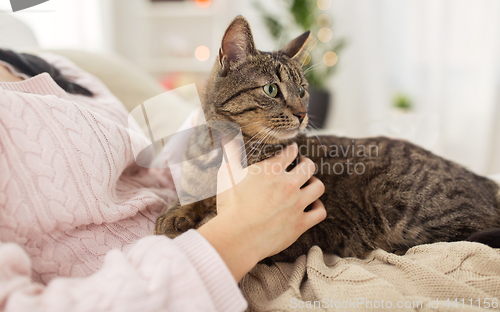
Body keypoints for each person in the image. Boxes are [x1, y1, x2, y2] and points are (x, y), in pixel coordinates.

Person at [0, 50, 326, 311]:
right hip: (217, 275)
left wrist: (216, 132)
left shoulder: (58, 67)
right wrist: (238, 234)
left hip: (258, 240)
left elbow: (144, 172)